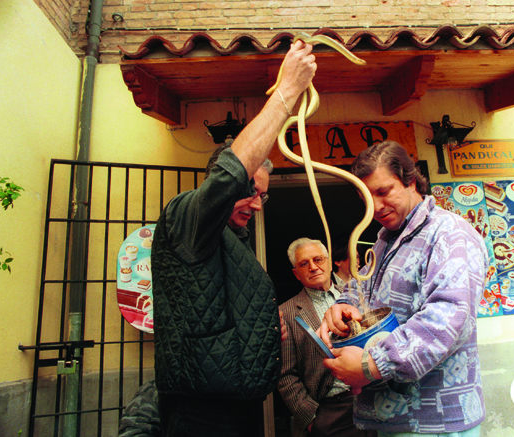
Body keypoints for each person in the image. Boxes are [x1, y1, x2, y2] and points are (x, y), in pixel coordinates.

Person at [151, 40, 317, 437]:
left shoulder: (233, 237)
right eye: (249, 191)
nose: (257, 204)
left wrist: (260, 326)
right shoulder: (187, 216)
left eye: (263, 194)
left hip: (237, 406)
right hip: (203, 415)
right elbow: (229, 175)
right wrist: (287, 93)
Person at [318, 140, 488, 436]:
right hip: (395, 417)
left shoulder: (449, 234)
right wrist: (343, 306)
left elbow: (448, 318)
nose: (377, 207)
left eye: (384, 192)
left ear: (411, 181)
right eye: (367, 198)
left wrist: (373, 364)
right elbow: (364, 290)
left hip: (434, 422)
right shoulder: (385, 239)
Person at [277, 238, 376, 437]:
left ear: (330, 263)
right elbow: (285, 374)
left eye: (318, 260)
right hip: (330, 412)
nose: (313, 267)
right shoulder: (285, 313)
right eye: (304, 264)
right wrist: (312, 418)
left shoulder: (355, 297)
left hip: (372, 401)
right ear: (296, 274)